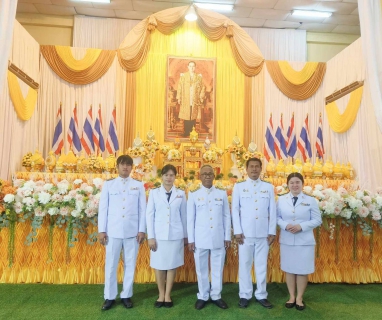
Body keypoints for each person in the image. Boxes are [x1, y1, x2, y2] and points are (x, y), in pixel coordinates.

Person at [98, 155, 146, 311]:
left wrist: (141, 230)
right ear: (117, 166)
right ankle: (109, 297)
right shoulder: (109, 185)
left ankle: (126, 295)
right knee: (111, 265)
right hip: (113, 231)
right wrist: (102, 230)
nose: (125, 167)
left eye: (128, 165)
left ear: (132, 168)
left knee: (130, 264)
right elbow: (103, 209)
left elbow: (142, 210)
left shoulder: (138, 185)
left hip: (132, 232)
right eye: (122, 164)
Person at [232, 157, 276, 309]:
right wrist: (237, 231)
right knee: (244, 265)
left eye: (257, 166)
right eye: (251, 167)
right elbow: (235, 210)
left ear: (260, 168)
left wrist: (272, 231)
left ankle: (261, 295)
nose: (254, 169)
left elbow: (272, 211)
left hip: (263, 234)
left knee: (261, 265)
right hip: (245, 234)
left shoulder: (268, 187)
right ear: (246, 169)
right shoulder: (239, 187)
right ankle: (244, 295)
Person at [187, 165, 231, 310]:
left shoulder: (221, 193)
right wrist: (191, 239)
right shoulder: (193, 194)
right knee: (201, 268)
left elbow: (226, 216)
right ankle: (203, 295)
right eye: (204, 174)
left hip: (218, 237)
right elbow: (190, 219)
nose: (207, 176)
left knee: (217, 268)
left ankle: (216, 295)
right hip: (200, 238)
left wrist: (227, 237)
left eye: (210, 174)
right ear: (200, 176)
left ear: (214, 176)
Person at [277, 172, 322, 311]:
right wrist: (285, 225)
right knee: (289, 269)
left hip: (305, 241)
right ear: (288, 185)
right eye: (292, 182)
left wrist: (301, 226)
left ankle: (299, 298)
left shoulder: (311, 200)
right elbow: (276, 218)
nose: (295, 185)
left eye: (297, 182)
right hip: (287, 239)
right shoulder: (281, 200)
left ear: (302, 184)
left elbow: (317, 220)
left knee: (302, 270)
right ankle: (291, 296)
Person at [146, 164, 187, 308]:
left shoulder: (181, 194)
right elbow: (149, 216)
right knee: (159, 265)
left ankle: (168, 295)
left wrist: (186, 236)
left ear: (175, 177)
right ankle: (160, 294)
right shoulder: (154, 193)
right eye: (166, 175)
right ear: (161, 176)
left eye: (171, 175)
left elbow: (184, 216)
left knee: (171, 265)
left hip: (175, 235)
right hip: (159, 236)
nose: (169, 178)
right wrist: (150, 236)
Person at [176, 61, 205, 137]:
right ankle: (186, 132)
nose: (192, 68)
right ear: (188, 67)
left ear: (195, 67)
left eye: (193, 66)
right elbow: (179, 87)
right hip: (186, 98)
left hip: (194, 98)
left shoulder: (198, 77)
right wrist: (179, 97)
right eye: (190, 66)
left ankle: (193, 132)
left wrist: (201, 96)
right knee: (186, 115)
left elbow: (203, 87)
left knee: (193, 115)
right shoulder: (183, 76)